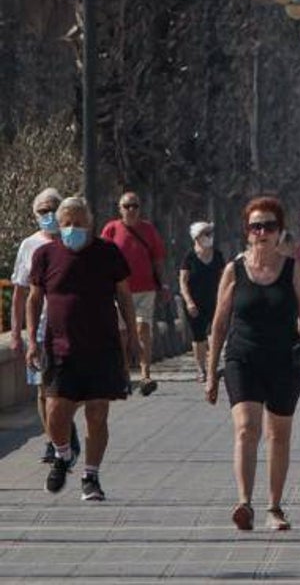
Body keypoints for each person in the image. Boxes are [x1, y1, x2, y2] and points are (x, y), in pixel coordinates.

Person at [205, 196, 300, 531]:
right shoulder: (234, 271)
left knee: (278, 434)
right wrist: (211, 373)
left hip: (285, 359)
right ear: (247, 231)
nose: (262, 232)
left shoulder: (292, 270)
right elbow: (219, 324)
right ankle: (244, 503)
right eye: (256, 226)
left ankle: (274, 507)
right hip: (243, 358)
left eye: (269, 225)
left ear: (279, 230)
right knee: (246, 428)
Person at [25, 197, 138, 501]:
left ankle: (91, 476)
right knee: (55, 411)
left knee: (97, 413)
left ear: (90, 223)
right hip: (59, 347)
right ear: (58, 227)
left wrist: (133, 338)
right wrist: (32, 343)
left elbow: (124, 297)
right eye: (67, 223)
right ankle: (63, 454)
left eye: (78, 222)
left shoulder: (108, 253)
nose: (73, 228)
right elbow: (34, 299)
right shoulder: (45, 255)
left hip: (102, 348)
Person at [10, 188, 79, 465]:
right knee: (42, 388)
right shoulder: (29, 245)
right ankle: (53, 440)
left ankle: (64, 428)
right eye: (43, 211)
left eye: (53, 208)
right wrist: (16, 334)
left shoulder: (73, 241)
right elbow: (20, 293)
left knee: (68, 388)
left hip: (71, 326)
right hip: (39, 329)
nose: (48, 215)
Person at [100, 192, 167, 396]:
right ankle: (125, 374)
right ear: (119, 208)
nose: (131, 210)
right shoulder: (111, 229)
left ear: (140, 208)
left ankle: (146, 374)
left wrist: (163, 284)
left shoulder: (148, 229)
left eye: (134, 206)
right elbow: (102, 257)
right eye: (127, 206)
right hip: (119, 291)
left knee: (142, 328)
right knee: (122, 333)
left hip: (145, 288)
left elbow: (157, 259)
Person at [179, 222, 225, 383]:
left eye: (210, 233)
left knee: (215, 333)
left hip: (215, 301)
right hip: (195, 303)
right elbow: (183, 282)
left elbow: (224, 278)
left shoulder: (218, 255)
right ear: (197, 237)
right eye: (206, 233)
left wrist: (224, 298)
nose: (209, 236)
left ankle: (213, 366)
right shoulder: (189, 257)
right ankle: (201, 369)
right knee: (198, 336)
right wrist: (189, 302)